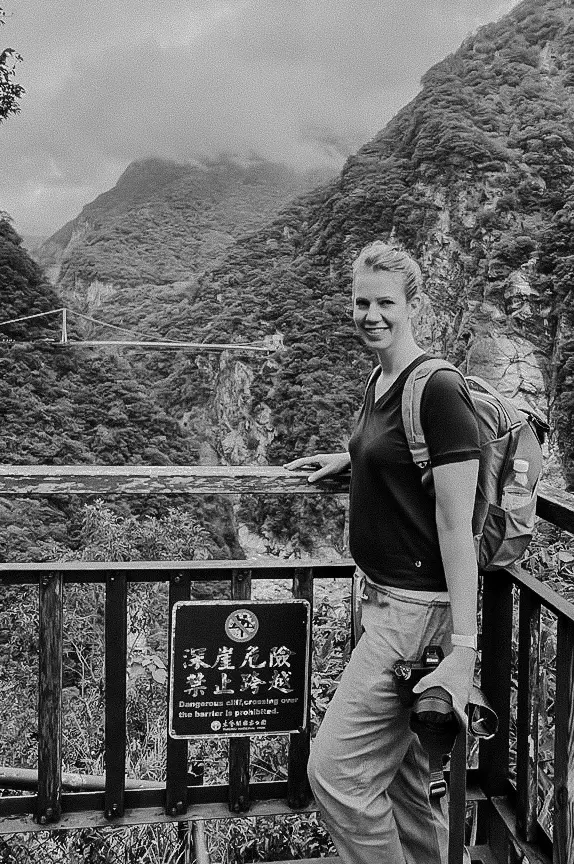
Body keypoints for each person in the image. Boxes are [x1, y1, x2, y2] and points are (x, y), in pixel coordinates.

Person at [284, 241, 480, 864]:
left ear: (414, 305)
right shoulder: (381, 379)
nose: (371, 314)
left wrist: (465, 652)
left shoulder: (440, 391)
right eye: (361, 302)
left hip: (414, 613)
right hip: (384, 600)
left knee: (337, 775)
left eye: (386, 302)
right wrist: (353, 459)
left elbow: (457, 528)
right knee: (402, 785)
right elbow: (398, 455)